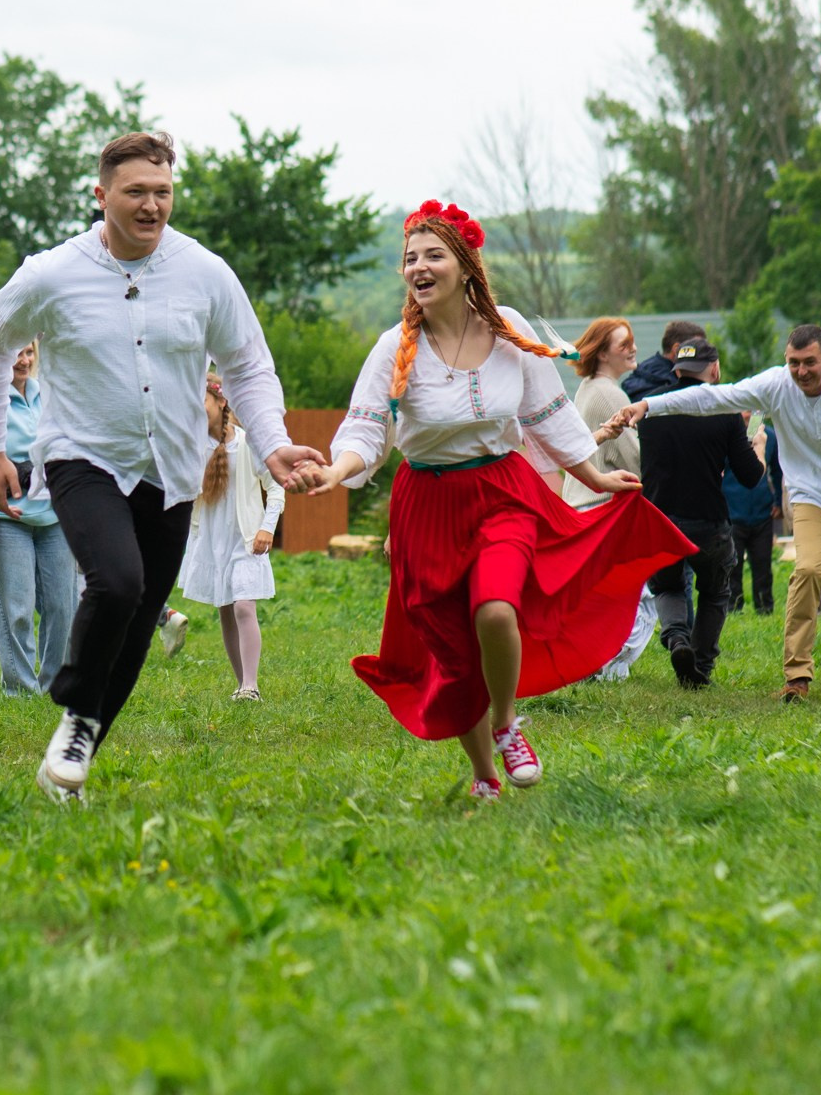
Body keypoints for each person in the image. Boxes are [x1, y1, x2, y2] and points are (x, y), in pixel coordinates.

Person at [0, 131, 324, 803]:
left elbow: (247, 365)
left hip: (172, 467)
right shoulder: (50, 275)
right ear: (101, 196)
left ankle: (77, 746)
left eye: (163, 192)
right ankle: (77, 705)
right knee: (118, 582)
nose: (152, 205)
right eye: (136, 192)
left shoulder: (205, 273)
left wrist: (273, 444)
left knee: (142, 611)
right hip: (82, 455)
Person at [291, 201, 692, 802]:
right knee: (455, 660)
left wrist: (593, 475)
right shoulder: (395, 346)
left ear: (464, 265)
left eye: (433, 255)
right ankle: (484, 775)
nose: (418, 267)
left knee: (496, 609)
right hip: (426, 506)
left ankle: (506, 724)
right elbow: (367, 427)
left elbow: (547, 413)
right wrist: (334, 470)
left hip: (502, 492)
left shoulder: (507, 330)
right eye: (410, 258)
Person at [614, 323, 821, 700]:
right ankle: (796, 676)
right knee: (807, 570)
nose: (801, 371)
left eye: (810, 362)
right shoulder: (776, 384)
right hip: (812, 496)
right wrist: (649, 406)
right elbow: (713, 398)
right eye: (793, 362)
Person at [635, 342, 766, 688]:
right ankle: (701, 664)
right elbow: (750, 476)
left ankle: (677, 638)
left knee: (667, 586)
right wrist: (759, 447)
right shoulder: (724, 411)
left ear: (676, 370)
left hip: (660, 519)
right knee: (715, 590)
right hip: (708, 522)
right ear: (714, 369)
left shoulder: (650, 407)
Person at [0, 343, 75, 696]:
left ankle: (54, 686)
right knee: (18, 610)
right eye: (15, 353)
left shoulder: (49, 395)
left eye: (28, 352)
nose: (23, 360)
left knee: (62, 607)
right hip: (6, 517)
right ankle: (20, 691)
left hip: (55, 515)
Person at [560, 316, 656, 683]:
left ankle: (594, 666)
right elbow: (634, 459)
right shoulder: (609, 394)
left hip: (582, 504)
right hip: (603, 505)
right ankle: (605, 668)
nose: (633, 349)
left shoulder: (587, 388)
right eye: (623, 344)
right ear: (602, 353)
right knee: (637, 597)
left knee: (601, 597)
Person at [176, 378, 284, 702]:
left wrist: (267, 528)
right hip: (212, 539)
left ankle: (251, 684)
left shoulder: (249, 444)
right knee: (226, 609)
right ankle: (241, 684)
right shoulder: (193, 446)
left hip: (246, 538)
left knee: (244, 606)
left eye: (202, 400)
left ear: (221, 402)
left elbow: (276, 486)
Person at [725, 417, 779, 614]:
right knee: (732, 564)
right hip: (732, 510)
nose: (747, 413)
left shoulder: (769, 436)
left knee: (763, 564)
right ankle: (733, 607)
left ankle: (765, 607)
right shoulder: (727, 434)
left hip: (762, 511)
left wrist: (779, 501)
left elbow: (778, 470)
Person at [622, 319, 705, 400]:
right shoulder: (671, 387)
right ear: (677, 349)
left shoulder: (643, 373)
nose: (703, 355)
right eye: (697, 349)